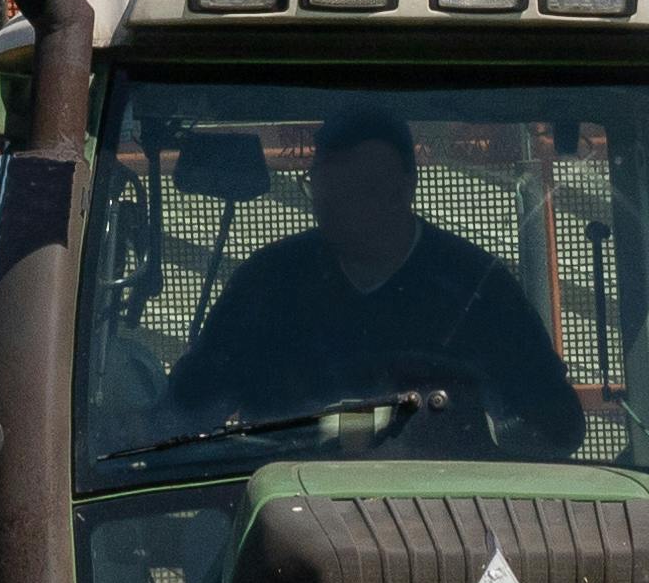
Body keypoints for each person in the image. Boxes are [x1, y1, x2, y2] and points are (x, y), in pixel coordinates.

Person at [153, 100, 584, 457]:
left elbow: (558, 426)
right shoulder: (266, 286)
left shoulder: (478, 289)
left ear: (404, 189)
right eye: (324, 186)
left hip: (445, 518)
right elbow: (183, 418)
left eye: (361, 189)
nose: (335, 206)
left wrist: (476, 429)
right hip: (288, 512)